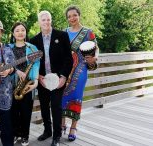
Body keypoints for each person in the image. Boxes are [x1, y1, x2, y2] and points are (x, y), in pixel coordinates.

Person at [30, 11, 73, 146]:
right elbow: (32, 63)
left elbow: (68, 59)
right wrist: (38, 76)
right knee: (43, 106)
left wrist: (64, 77)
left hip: (58, 80)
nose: (46, 22)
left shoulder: (62, 36)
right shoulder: (34, 41)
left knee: (56, 106)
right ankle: (47, 131)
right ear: (39, 22)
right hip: (42, 80)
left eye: (48, 19)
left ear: (51, 20)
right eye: (43, 20)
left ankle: (57, 135)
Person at [61, 6, 99, 142]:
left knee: (76, 97)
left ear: (79, 15)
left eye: (74, 15)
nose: (72, 18)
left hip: (80, 70)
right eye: (69, 16)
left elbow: (96, 49)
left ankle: (73, 127)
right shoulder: (64, 32)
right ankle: (62, 124)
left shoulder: (88, 32)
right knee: (62, 97)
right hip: (65, 71)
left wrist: (94, 58)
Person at [9, 22, 40, 146]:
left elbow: (37, 64)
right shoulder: (8, 47)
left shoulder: (33, 48)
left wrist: (36, 81)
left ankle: (25, 135)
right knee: (13, 111)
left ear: (26, 32)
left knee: (26, 112)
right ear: (13, 33)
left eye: (23, 30)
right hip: (11, 84)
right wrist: (16, 72)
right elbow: (5, 64)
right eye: (17, 30)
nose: (20, 32)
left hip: (28, 83)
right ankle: (16, 134)